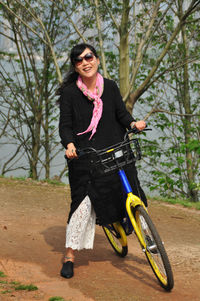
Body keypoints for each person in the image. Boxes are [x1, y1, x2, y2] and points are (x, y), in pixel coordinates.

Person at [58, 43, 147, 279]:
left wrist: (132, 124)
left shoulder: (110, 86)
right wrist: (69, 145)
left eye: (89, 57)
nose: (85, 62)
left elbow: (121, 113)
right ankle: (69, 256)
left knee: (131, 191)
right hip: (85, 156)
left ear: (97, 60)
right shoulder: (69, 94)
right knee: (82, 206)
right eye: (79, 60)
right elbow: (65, 126)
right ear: (75, 67)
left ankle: (149, 240)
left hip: (115, 147)